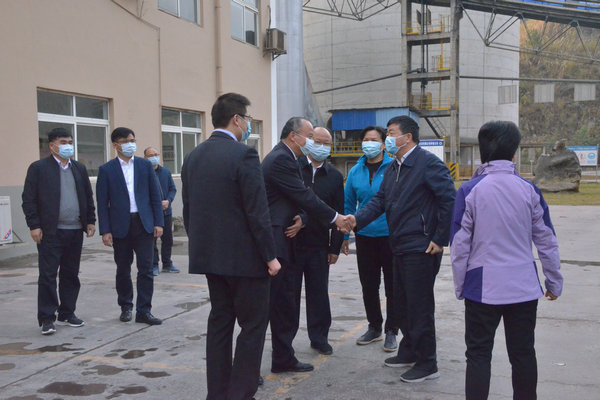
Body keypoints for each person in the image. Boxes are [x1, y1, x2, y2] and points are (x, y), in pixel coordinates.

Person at [450, 121, 563, 400]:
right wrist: (554, 281)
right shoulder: (529, 190)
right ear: (514, 153)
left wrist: (460, 286)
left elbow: (459, 246)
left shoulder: (470, 190)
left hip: (482, 288)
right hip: (523, 287)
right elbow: (546, 240)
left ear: (482, 152)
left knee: (478, 355)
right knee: (523, 354)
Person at [181, 93, 281, 400]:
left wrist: (202, 247)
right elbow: (257, 211)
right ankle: (240, 392)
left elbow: (189, 210)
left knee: (220, 323)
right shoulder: (244, 155)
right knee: (253, 326)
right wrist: (270, 256)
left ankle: (218, 392)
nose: (248, 125)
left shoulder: (193, 156)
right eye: (247, 119)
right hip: (246, 261)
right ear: (236, 119)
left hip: (211, 259)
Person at [343, 115, 456, 383]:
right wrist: (355, 220)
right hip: (400, 244)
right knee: (403, 303)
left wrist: (440, 238)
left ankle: (427, 363)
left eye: (392, 133)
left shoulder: (427, 163)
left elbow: (449, 200)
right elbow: (380, 201)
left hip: (421, 246)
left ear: (408, 137)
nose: (388, 138)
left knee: (419, 306)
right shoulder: (395, 167)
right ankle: (409, 351)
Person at [262, 116, 352, 373]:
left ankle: (289, 354)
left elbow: (302, 200)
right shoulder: (284, 160)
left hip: (313, 243)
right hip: (284, 241)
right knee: (280, 303)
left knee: (303, 298)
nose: (314, 143)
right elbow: (303, 197)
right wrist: (336, 219)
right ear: (294, 136)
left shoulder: (327, 174)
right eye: (311, 137)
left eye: (321, 141)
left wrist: (334, 238)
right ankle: (271, 360)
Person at [22, 128, 96, 335]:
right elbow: (29, 199)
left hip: (75, 230)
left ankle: (67, 312)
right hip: (50, 232)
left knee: (71, 274)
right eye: (63, 142)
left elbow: (87, 197)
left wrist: (90, 221)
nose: (68, 146)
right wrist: (34, 225)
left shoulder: (79, 168)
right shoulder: (39, 168)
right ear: (52, 145)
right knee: (48, 275)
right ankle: (47, 318)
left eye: (70, 142)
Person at [96, 127, 164, 326]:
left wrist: (158, 222)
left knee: (146, 269)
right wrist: (105, 230)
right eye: (126, 141)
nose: (130, 144)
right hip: (120, 226)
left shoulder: (145, 166)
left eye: (132, 140)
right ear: (115, 145)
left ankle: (144, 310)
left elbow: (155, 196)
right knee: (123, 269)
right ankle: (126, 306)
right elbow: (103, 203)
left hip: (144, 224)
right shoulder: (106, 170)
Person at [342, 125, 398, 352]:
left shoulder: (394, 167)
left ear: (383, 144)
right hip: (364, 236)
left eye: (374, 139)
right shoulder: (355, 171)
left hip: (390, 236)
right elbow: (348, 204)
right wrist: (345, 235)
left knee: (393, 287)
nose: (369, 143)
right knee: (369, 286)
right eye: (366, 139)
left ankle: (392, 330)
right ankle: (374, 326)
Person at [291, 127, 344, 356]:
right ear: (309, 141)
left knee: (319, 294)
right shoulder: (294, 168)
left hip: (319, 245)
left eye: (327, 144)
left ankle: (319, 337)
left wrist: (335, 247)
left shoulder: (335, 177)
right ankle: (285, 341)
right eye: (318, 142)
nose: (322, 147)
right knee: (288, 295)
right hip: (291, 242)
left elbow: (339, 212)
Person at [144, 147, 179, 276]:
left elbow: (172, 189)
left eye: (156, 154)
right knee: (152, 240)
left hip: (166, 212)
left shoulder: (165, 172)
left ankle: (167, 264)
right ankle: (154, 264)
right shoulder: (144, 173)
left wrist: (168, 201)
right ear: (145, 158)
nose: (154, 157)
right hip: (151, 213)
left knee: (168, 240)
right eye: (151, 155)